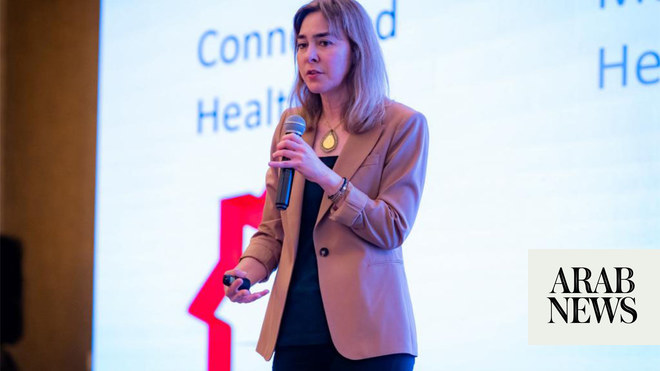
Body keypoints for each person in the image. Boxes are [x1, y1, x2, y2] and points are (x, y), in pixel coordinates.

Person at [224, 0, 428, 369]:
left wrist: (326, 177)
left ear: (356, 49)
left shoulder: (402, 124)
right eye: (302, 44)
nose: (310, 56)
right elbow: (273, 228)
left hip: (372, 336)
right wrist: (246, 270)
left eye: (324, 42)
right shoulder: (293, 125)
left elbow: (392, 226)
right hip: (296, 331)